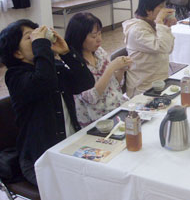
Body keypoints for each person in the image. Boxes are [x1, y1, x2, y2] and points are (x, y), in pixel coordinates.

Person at [0, 19, 95, 185]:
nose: (38, 40)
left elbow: (86, 83)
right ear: (18, 53)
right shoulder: (15, 76)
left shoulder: (52, 67)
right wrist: (42, 46)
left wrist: (66, 53)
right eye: (30, 38)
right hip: (41, 158)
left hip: (71, 146)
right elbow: (44, 81)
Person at [64, 13, 133, 127]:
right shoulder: (73, 64)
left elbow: (115, 85)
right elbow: (91, 98)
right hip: (97, 121)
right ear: (79, 37)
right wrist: (111, 68)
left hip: (117, 109)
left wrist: (120, 70)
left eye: (100, 34)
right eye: (93, 36)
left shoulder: (99, 52)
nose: (99, 40)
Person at [123, 0, 176, 97]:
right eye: (161, 7)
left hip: (160, 82)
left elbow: (169, 49)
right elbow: (163, 47)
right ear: (148, 10)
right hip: (144, 89)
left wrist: (166, 26)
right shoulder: (137, 30)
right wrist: (161, 23)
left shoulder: (152, 24)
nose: (164, 10)